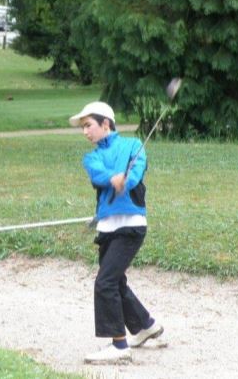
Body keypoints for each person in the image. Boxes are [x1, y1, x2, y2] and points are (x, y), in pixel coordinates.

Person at [69, 101, 164, 364]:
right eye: (83, 127)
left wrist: (126, 180)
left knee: (105, 282)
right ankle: (146, 326)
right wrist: (113, 177)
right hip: (107, 228)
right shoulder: (92, 157)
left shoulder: (134, 146)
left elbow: (135, 173)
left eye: (88, 125)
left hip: (131, 226)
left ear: (106, 124)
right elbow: (97, 173)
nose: (85, 132)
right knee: (116, 281)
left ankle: (119, 345)